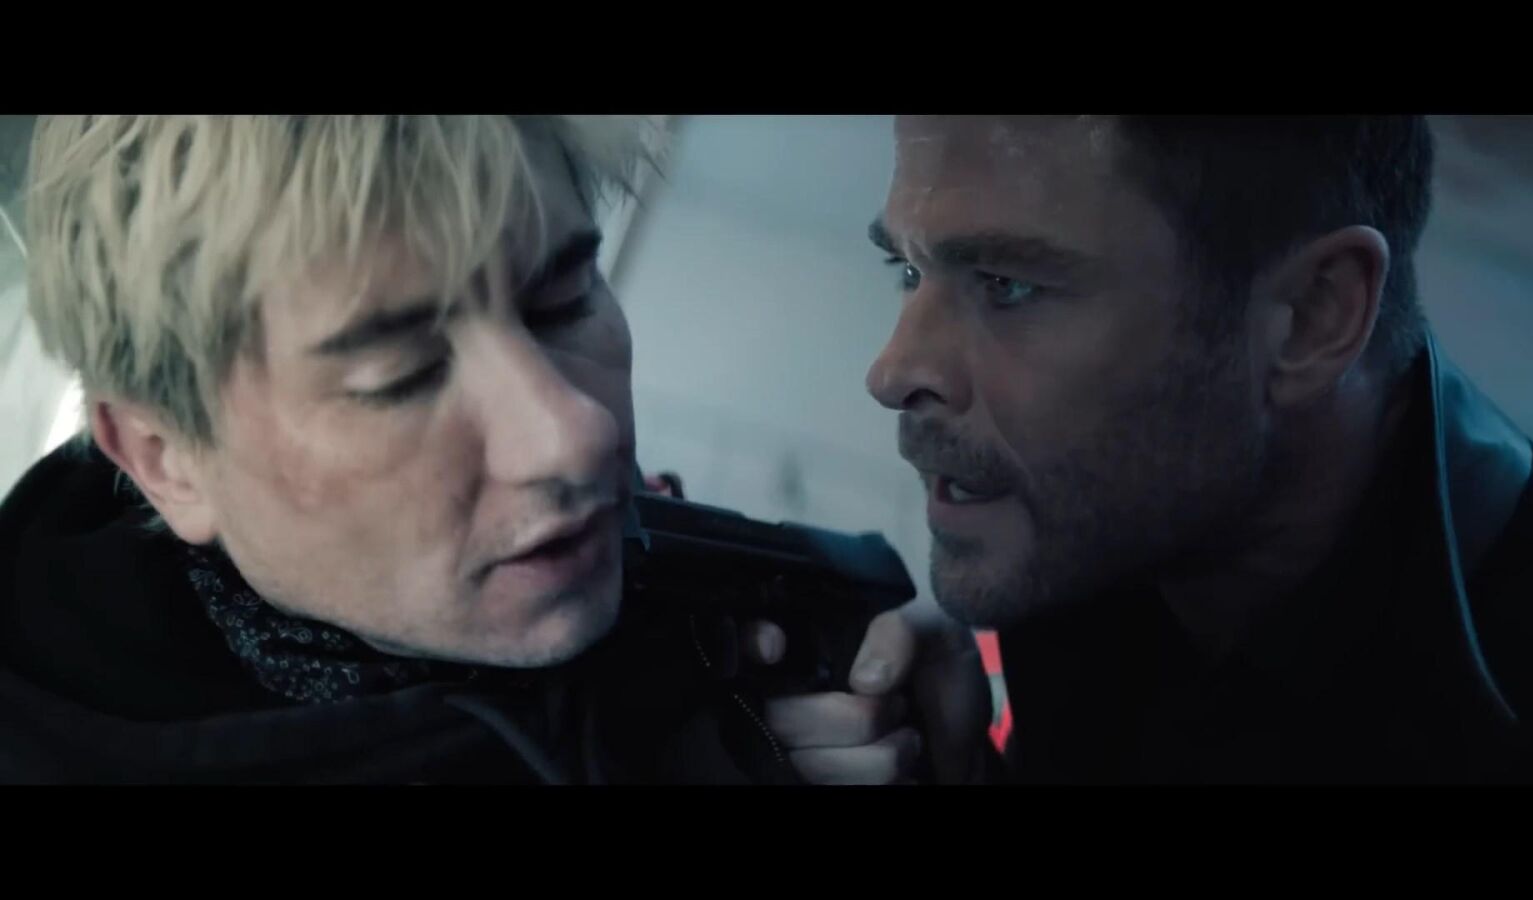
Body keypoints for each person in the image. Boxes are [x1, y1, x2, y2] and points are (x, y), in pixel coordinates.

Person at [0, 115, 956, 784]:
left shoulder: (709, 620)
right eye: (400, 377)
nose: (572, 433)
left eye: (563, 303)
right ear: (165, 458)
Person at [865, 115, 1533, 783]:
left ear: (1311, 316)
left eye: (1008, 285)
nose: (892, 374)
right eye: (908, 271)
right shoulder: (1099, 548)